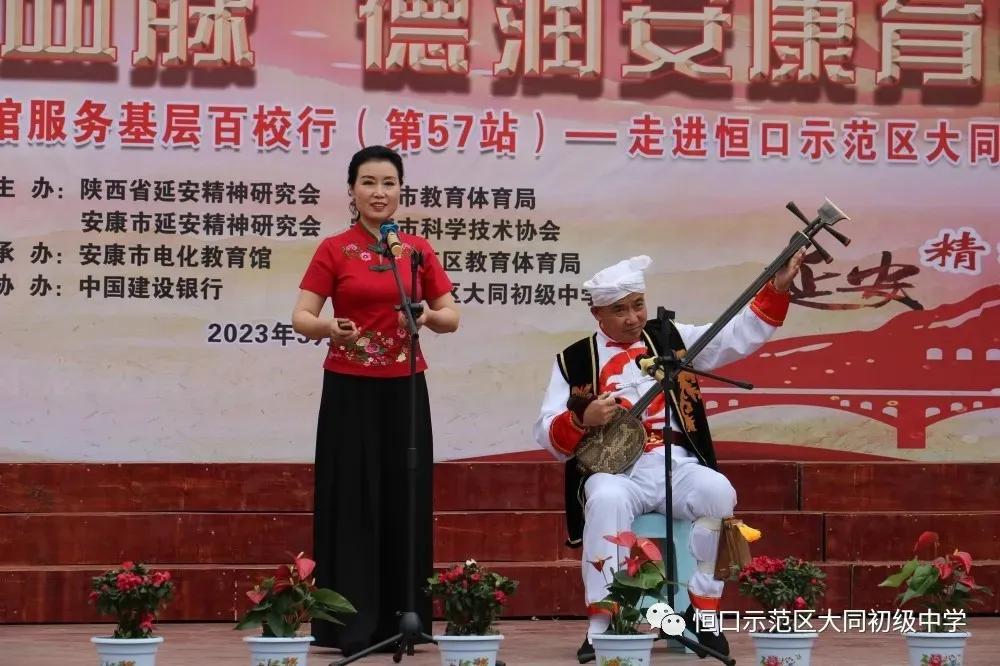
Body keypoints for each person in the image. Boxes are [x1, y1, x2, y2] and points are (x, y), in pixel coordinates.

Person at [533, 251, 805, 663]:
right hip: (616, 471)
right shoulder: (573, 360)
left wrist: (778, 287)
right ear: (597, 314)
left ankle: (704, 609)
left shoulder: (671, 339)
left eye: (638, 305)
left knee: (718, 492)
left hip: (675, 462)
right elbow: (546, 432)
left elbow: (733, 336)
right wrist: (581, 418)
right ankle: (604, 623)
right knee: (605, 499)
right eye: (619, 310)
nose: (632, 318)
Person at [292, 145, 460, 656]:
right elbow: (302, 317)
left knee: (404, 494)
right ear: (352, 191)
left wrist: (428, 317)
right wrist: (329, 328)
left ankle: (404, 616)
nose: (379, 192)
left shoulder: (416, 251)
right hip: (349, 388)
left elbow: (450, 315)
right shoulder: (334, 249)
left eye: (388, 183)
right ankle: (349, 623)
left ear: (401, 190)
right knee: (351, 497)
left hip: (405, 387)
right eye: (368, 182)